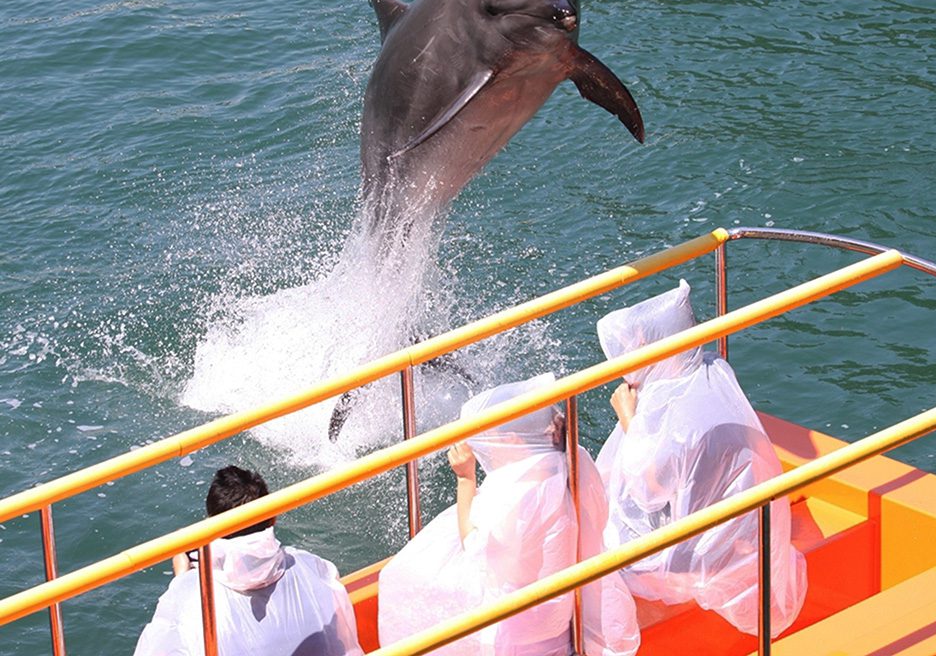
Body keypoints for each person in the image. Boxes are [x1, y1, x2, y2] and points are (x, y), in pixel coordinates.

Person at [595, 279, 807, 637]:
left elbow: (649, 487)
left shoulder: (671, 410)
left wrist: (628, 418)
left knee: (603, 543)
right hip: (747, 529)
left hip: (703, 554)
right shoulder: (713, 371)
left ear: (647, 344)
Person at [377, 373, 639, 656]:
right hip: (566, 613)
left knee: (399, 576)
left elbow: (473, 546)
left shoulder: (515, 494)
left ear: (512, 440)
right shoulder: (575, 458)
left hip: (519, 635)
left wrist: (465, 480)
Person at [133, 466, 364, 656]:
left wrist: (182, 580)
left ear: (212, 529)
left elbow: (160, 647)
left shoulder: (195, 594)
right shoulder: (311, 566)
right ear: (273, 517)